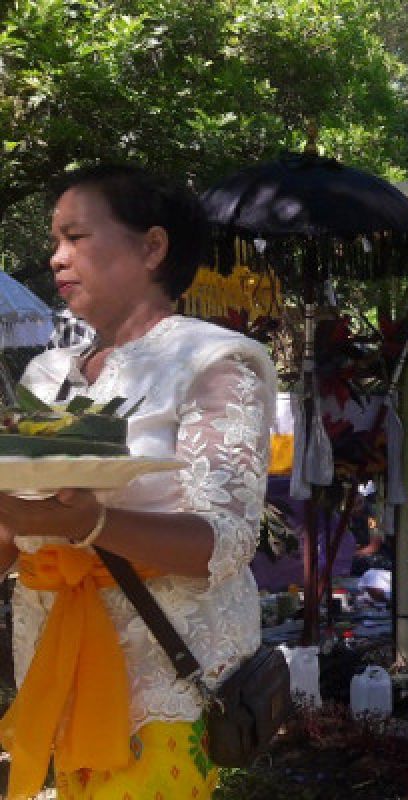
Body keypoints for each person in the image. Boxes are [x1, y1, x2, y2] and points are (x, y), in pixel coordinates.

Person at [0, 164, 275, 800]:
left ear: (151, 246)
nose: (57, 258)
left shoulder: (215, 361)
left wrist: (89, 523)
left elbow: (226, 539)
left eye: (76, 236)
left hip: (161, 684)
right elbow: (19, 528)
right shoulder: (47, 373)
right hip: (53, 669)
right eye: (55, 240)